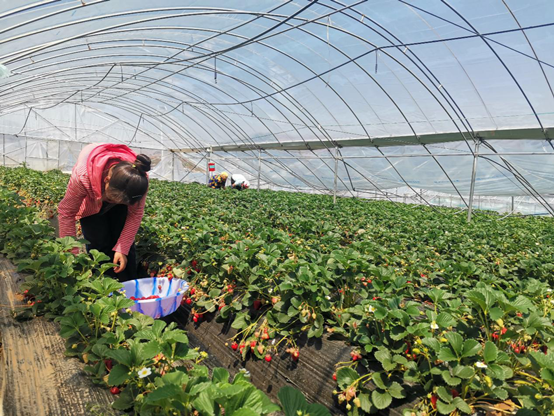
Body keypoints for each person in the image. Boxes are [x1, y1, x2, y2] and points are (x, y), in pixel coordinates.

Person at [58, 143, 150, 282]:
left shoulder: (138, 180)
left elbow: (135, 214)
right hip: (92, 201)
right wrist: (71, 255)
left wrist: (122, 248)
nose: (114, 203)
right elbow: (67, 212)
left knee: (125, 250)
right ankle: (102, 287)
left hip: (118, 191)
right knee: (98, 244)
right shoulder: (83, 175)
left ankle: (127, 287)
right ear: (106, 180)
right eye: (112, 199)